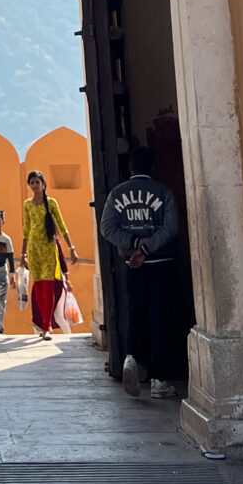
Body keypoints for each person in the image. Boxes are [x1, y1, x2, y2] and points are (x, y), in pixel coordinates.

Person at [100, 143, 183, 398]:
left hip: (132, 265)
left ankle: (131, 359)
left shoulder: (117, 194)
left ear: (130, 167)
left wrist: (134, 244)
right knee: (159, 318)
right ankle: (159, 380)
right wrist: (147, 248)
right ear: (153, 166)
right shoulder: (163, 192)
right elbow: (170, 227)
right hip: (161, 264)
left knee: (136, 314)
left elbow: (107, 228)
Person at [21, 169, 79, 338]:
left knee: (48, 288)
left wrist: (71, 247)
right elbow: (26, 230)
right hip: (34, 251)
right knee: (39, 288)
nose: (35, 185)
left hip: (48, 249)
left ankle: (46, 326)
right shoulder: (27, 204)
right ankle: (43, 325)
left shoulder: (51, 203)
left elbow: (62, 226)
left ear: (43, 184)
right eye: (32, 183)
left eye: (37, 182)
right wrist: (23, 255)